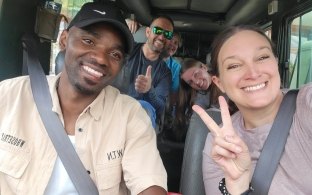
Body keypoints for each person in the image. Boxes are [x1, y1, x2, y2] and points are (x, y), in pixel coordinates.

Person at [0, 2, 167, 195]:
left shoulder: (130, 116)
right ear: (64, 39)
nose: (101, 58)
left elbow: (148, 183)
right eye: (88, 41)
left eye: (115, 53)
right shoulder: (8, 96)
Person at [193, 25, 312, 194]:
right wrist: (238, 187)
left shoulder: (307, 103)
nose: (253, 73)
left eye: (262, 57)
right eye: (234, 65)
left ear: (276, 63)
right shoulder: (220, 143)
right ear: (219, 83)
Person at [112, 15, 173, 127]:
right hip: (114, 104)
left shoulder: (165, 72)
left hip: (141, 115)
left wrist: (149, 90)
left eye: (167, 34)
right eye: (158, 30)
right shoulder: (127, 49)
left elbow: (160, 107)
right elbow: (110, 38)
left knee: (144, 108)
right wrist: (124, 22)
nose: (161, 37)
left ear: (169, 41)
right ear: (148, 32)